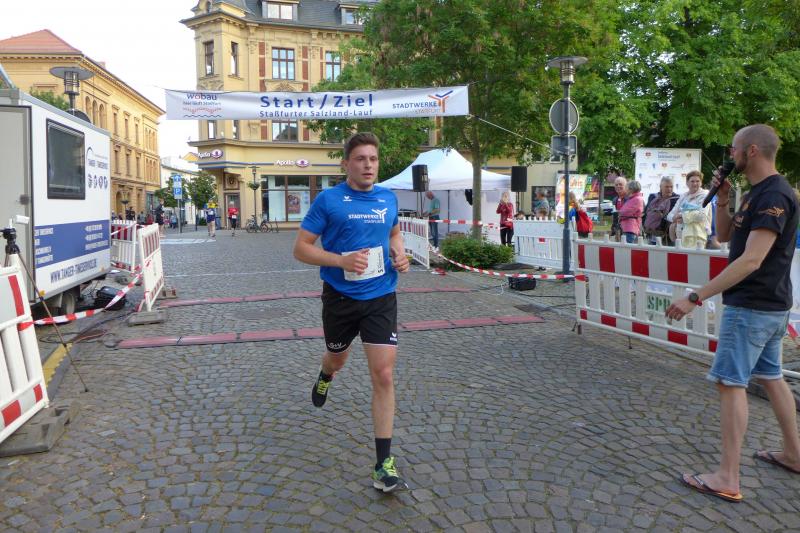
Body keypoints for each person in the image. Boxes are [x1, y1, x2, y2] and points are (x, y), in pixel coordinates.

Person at [666, 124, 800, 503]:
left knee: (730, 383)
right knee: (772, 377)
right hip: (769, 306)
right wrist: (723, 200)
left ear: (752, 150)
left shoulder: (774, 195)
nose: (730, 155)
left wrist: (696, 296)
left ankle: (727, 476)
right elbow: (725, 237)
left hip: (752, 306)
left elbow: (752, 260)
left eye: (734, 148)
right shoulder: (755, 193)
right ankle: (794, 454)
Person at [293, 132, 410, 493]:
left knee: (384, 374)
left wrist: (399, 253)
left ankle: (383, 464)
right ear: (346, 164)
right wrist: (340, 260)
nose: (368, 165)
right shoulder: (329, 200)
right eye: (360, 159)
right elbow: (301, 248)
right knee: (337, 358)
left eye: (373, 159)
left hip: (381, 296)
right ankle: (326, 374)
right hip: (340, 298)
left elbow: (394, 234)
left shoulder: (388, 198)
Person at [666, 170, 712, 249]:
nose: (695, 183)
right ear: (687, 183)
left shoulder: (705, 196)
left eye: (697, 181)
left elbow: (702, 216)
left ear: (701, 183)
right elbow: (669, 215)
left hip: (697, 236)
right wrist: (674, 217)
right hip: (680, 235)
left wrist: (681, 216)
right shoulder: (683, 196)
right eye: (692, 181)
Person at [643, 177, 680, 245]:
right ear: (660, 187)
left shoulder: (677, 199)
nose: (669, 189)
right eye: (666, 187)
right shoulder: (653, 197)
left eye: (671, 187)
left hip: (668, 235)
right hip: (651, 233)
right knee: (651, 251)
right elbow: (646, 212)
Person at [610, 174, 628, 240]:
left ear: (626, 186)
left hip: (628, 230)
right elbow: (614, 216)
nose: (618, 186)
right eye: (616, 185)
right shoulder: (615, 200)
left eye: (620, 184)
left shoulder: (631, 198)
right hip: (617, 230)